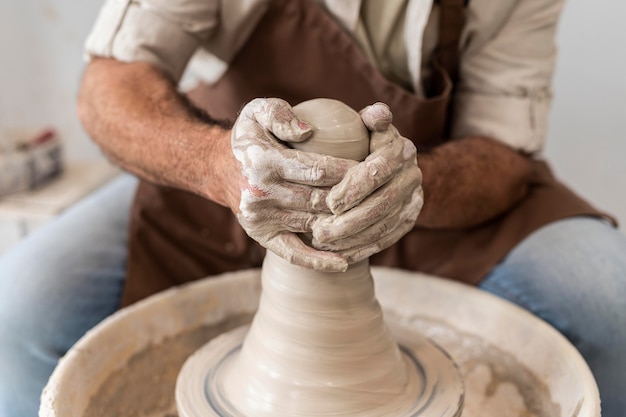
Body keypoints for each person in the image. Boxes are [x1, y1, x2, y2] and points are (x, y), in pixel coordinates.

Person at [1, 0, 624, 416]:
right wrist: (219, 165)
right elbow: (110, 84)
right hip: (230, 172)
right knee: (25, 311)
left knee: (609, 306)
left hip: (430, 190)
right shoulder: (223, 166)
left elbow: (505, 147)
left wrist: (415, 186)